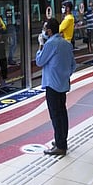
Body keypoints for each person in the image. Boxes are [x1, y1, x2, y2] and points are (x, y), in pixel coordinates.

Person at [36, 18, 76, 155]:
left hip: (52, 85)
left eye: (44, 29)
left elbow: (40, 61)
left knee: (55, 115)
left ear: (49, 30)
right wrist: (64, 75)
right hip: (63, 84)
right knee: (62, 113)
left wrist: (41, 45)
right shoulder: (66, 44)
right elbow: (73, 65)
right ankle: (61, 140)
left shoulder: (50, 44)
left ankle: (60, 146)